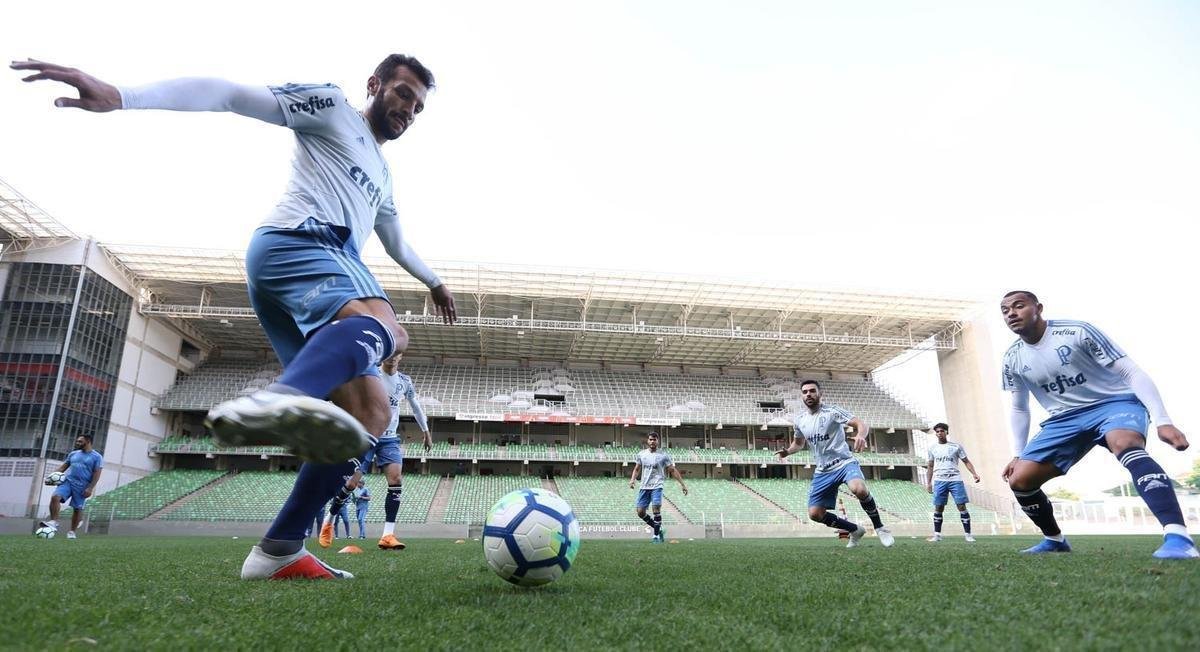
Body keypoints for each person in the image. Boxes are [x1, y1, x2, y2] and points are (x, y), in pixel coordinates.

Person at [12, 55, 458, 579]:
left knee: (371, 414)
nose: (409, 109)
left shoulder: (381, 172)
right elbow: (229, 94)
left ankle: (278, 551)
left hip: (297, 268)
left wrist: (434, 281)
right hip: (303, 240)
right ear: (375, 84)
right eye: (403, 93)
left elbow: (394, 238)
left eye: (419, 106)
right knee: (391, 328)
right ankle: (280, 397)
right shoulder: (333, 107)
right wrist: (122, 94)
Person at [1000, 290, 1196, 558]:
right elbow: (1019, 406)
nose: (1011, 313)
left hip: (1113, 404)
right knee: (1020, 480)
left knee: (1125, 443)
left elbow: (1130, 371)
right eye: (1005, 310)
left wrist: (1163, 420)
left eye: (1018, 306)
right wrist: (1018, 453)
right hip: (1063, 419)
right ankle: (1055, 540)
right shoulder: (1012, 358)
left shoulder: (1077, 332)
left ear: (1039, 308)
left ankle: (1178, 537)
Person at [320, 354, 431, 550]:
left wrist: (426, 431)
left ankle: (388, 535)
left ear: (401, 356)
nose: (392, 357)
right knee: (351, 483)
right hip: (365, 436)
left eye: (397, 353)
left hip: (389, 439)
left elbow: (416, 407)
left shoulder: (405, 382)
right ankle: (329, 520)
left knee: (396, 480)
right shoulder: (370, 376)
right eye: (389, 353)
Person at [777, 380, 895, 548]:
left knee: (859, 489)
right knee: (815, 514)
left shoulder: (832, 412)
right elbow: (799, 443)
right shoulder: (800, 420)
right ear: (802, 396)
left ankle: (880, 528)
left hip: (844, 463)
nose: (808, 394)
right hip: (823, 470)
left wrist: (861, 435)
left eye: (812, 391)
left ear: (820, 393)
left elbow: (861, 424)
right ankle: (855, 530)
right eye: (805, 392)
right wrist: (787, 451)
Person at [38, 435, 103, 539]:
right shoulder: (73, 454)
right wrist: (50, 478)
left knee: (77, 509)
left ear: (88, 442)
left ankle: (72, 531)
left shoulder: (97, 457)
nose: (77, 443)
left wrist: (90, 488)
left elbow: (97, 473)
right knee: (55, 497)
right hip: (68, 481)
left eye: (80, 441)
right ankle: (53, 521)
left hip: (82, 486)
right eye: (77, 441)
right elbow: (63, 467)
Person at [924, 422, 981, 542]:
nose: (939, 433)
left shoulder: (956, 447)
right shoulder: (932, 448)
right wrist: (928, 482)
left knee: (961, 506)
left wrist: (974, 474)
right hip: (940, 480)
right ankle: (937, 535)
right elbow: (930, 466)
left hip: (955, 479)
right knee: (938, 507)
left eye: (942, 431)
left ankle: (968, 535)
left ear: (946, 432)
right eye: (937, 431)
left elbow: (966, 461)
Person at [628, 432, 688, 543]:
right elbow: (637, 469)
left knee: (656, 509)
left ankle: (655, 537)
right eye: (650, 439)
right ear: (648, 441)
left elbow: (672, 470)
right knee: (640, 512)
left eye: (654, 439)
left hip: (657, 485)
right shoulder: (641, 454)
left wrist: (682, 484)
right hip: (644, 486)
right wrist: (632, 480)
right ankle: (659, 528)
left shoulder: (663, 455)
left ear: (657, 441)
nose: (652, 441)